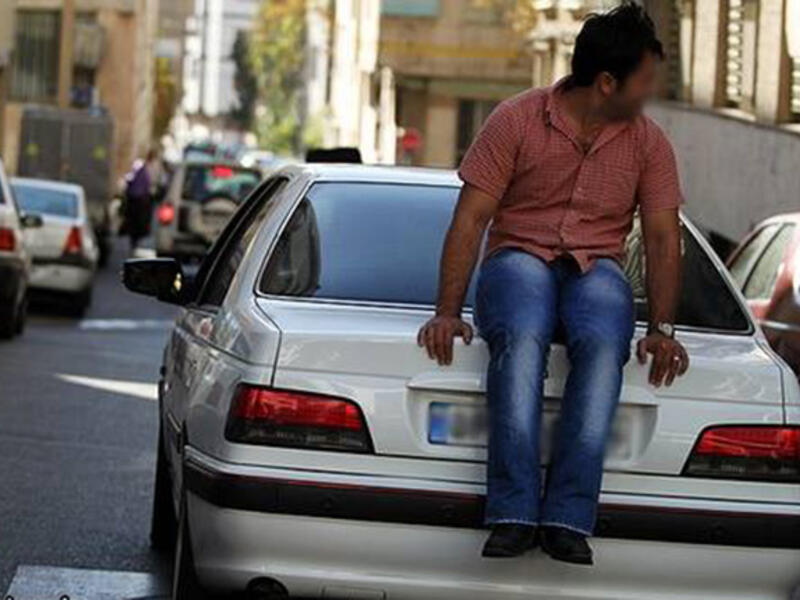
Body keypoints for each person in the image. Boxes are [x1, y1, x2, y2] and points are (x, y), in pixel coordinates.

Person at [417, 3, 689, 566]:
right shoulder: (515, 120)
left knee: (604, 340)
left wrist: (662, 327)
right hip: (520, 254)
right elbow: (470, 219)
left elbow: (664, 238)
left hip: (596, 266)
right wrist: (447, 310)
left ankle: (567, 517)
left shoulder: (649, 143)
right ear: (607, 82)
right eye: (643, 81)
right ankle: (514, 511)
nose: (649, 93)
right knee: (522, 332)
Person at [124, 149, 160, 253]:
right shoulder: (144, 166)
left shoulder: (145, 166)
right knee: (137, 221)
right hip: (139, 199)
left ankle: (135, 239)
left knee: (137, 221)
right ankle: (134, 239)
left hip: (138, 198)